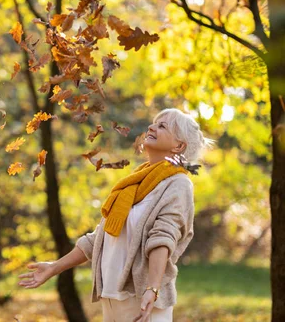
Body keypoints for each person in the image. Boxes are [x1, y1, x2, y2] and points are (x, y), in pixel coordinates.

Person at [19, 108, 212, 322]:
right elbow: (101, 239)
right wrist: (54, 267)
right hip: (111, 299)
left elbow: (163, 238)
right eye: (154, 123)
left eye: (162, 126)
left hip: (141, 301)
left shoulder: (178, 184)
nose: (151, 127)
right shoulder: (135, 182)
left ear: (179, 146)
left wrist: (153, 289)